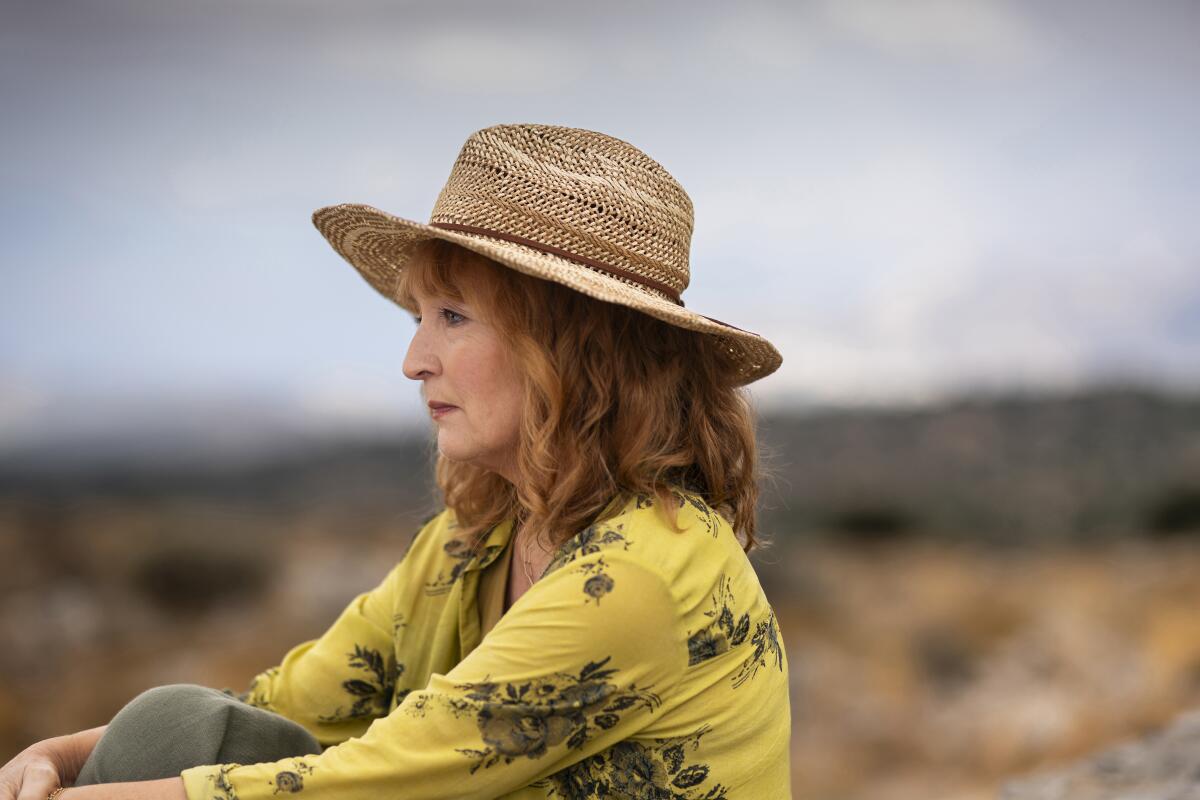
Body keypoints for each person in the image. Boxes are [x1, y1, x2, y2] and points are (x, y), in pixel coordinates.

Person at [1, 123, 791, 800]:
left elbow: (376, 778)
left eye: (452, 317)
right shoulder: (476, 540)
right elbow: (288, 702)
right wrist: (57, 757)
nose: (414, 359)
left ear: (574, 351)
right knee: (174, 723)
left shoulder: (640, 575)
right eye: (421, 317)